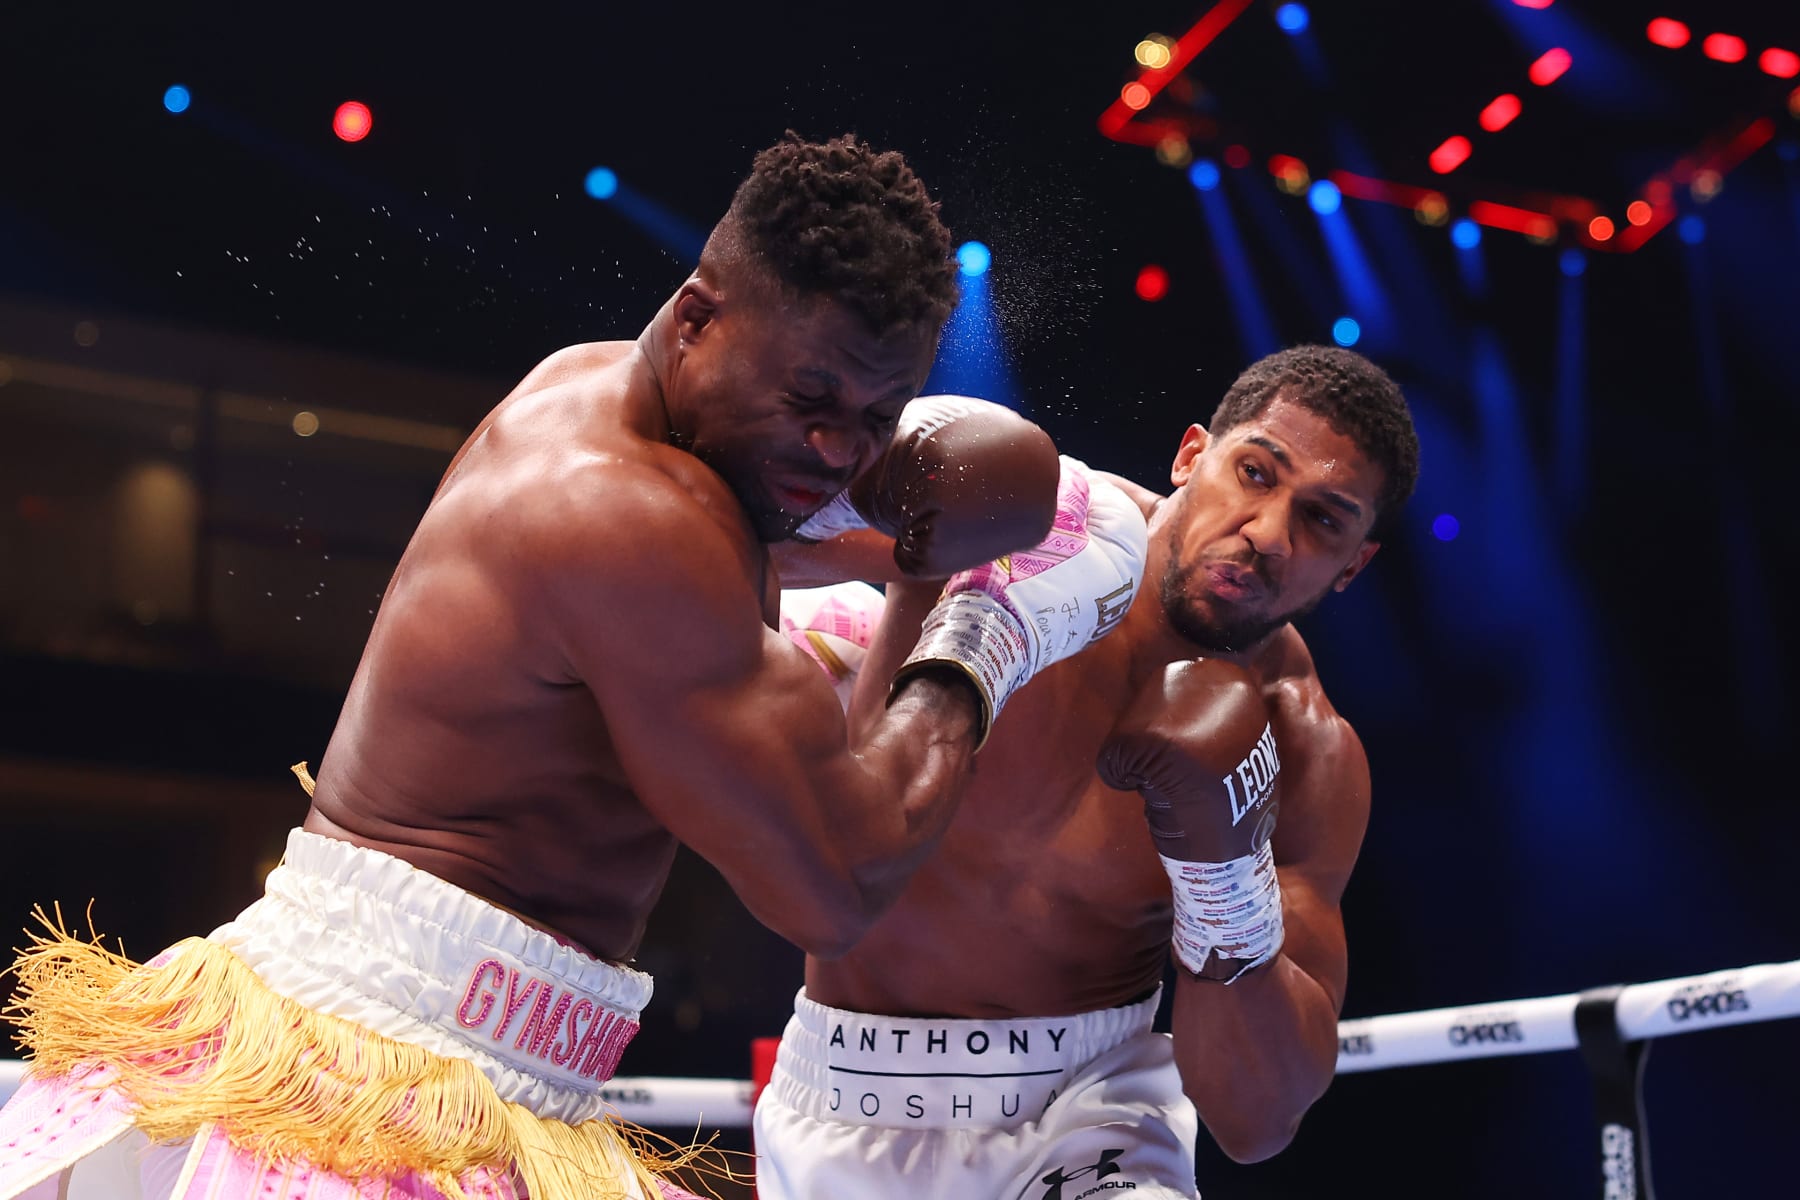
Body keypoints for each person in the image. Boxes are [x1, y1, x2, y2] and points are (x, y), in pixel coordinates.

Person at [0, 133, 1147, 1200]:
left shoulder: (623, 401)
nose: (841, 449)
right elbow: (833, 886)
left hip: (477, 1071)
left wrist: (1072, 521)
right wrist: (986, 638)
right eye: (811, 400)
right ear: (697, 321)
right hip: (370, 1073)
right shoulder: (627, 518)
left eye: (877, 413)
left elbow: (844, 525)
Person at [756, 344, 1421, 1199]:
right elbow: (739, 548)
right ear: (1192, 456)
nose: (1267, 535)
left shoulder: (1305, 750)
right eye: (1255, 473)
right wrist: (837, 641)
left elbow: (1257, 1119)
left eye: (1324, 521)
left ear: (1353, 566)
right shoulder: (1026, 523)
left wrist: (1227, 883)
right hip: (843, 1091)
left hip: (1093, 1113)